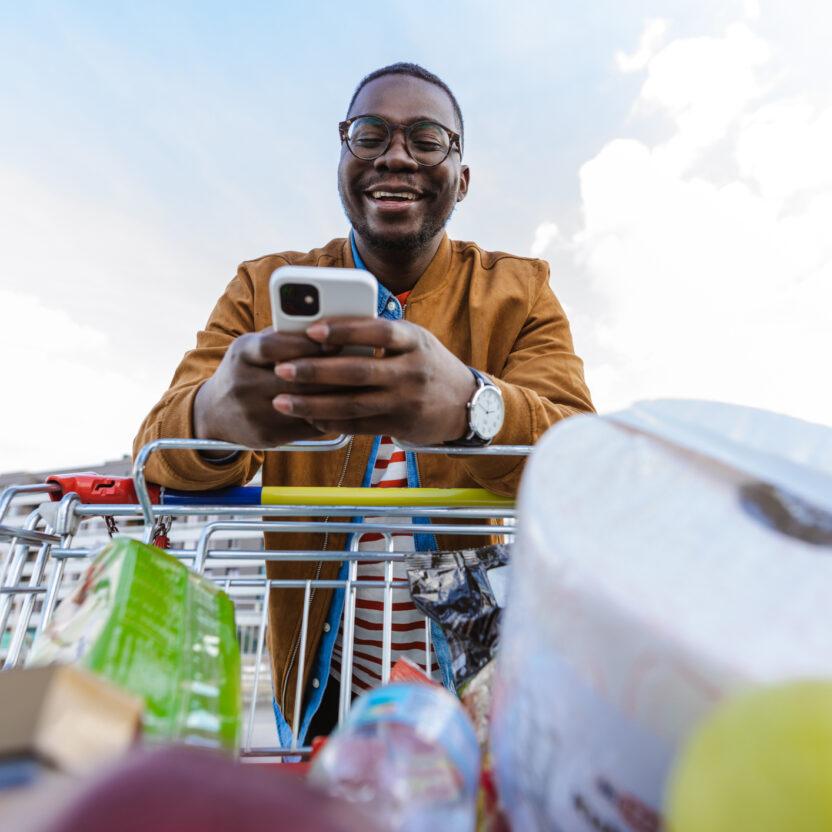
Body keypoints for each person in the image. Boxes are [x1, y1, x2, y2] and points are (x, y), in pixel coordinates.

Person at [133, 62, 594, 745]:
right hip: (321, 684)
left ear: (461, 178)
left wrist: (472, 407)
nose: (396, 155)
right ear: (343, 160)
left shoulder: (520, 293)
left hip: (471, 681)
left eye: (427, 139)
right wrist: (215, 417)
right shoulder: (261, 289)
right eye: (370, 134)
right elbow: (156, 451)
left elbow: (579, 457)